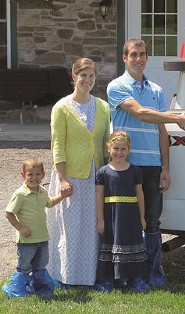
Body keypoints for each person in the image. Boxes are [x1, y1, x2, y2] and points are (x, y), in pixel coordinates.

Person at [107, 38, 185, 287]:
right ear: (124, 58)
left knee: (153, 221)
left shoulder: (156, 90)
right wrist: (177, 117)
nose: (139, 59)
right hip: (126, 166)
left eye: (143, 54)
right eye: (133, 54)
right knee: (126, 219)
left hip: (152, 166)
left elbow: (161, 130)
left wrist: (165, 167)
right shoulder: (117, 86)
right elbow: (140, 113)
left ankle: (153, 273)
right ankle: (125, 275)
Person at [46, 57, 111, 287]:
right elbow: (57, 145)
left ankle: (90, 276)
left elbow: (106, 142)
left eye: (92, 76)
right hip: (71, 176)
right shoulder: (62, 107)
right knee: (70, 229)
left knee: (93, 228)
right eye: (83, 75)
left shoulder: (102, 106)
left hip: (96, 175)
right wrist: (62, 178)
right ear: (74, 77)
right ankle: (66, 276)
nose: (88, 80)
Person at [2, 157, 69, 298]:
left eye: (38, 174)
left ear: (43, 175)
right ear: (23, 175)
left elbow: (50, 203)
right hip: (26, 240)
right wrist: (20, 228)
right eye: (30, 174)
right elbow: (9, 213)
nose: (34, 178)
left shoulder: (42, 191)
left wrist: (62, 196)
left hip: (42, 237)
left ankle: (40, 288)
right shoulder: (20, 194)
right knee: (24, 266)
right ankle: (18, 290)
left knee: (41, 265)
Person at [94, 130, 150, 292]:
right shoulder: (103, 172)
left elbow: (140, 194)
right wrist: (101, 220)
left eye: (123, 149)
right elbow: (99, 196)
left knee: (132, 243)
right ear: (109, 149)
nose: (119, 152)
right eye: (116, 149)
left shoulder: (135, 171)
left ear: (128, 150)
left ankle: (135, 278)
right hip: (111, 216)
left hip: (130, 216)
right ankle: (108, 278)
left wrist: (142, 217)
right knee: (111, 244)